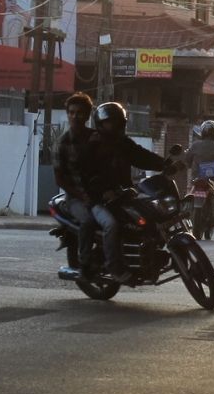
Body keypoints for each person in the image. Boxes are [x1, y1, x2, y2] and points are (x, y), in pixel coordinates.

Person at [85, 101, 177, 281]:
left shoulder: (122, 143)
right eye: (110, 123)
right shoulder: (93, 146)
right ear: (101, 125)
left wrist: (164, 164)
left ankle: (149, 255)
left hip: (123, 195)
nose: (114, 126)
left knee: (150, 215)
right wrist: (104, 191)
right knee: (111, 225)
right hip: (98, 199)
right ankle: (115, 267)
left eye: (118, 122)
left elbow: (141, 156)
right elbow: (87, 174)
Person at [53, 92, 101, 274]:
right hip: (75, 198)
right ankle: (85, 264)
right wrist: (82, 196)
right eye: (71, 112)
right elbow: (59, 178)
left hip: (98, 194)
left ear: (87, 115)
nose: (75, 116)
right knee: (88, 222)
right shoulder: (62, 143)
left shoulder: (96, 138)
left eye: (79, 113)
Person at [185, 120, 214, 225]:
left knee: (191, 190)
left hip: (197, 178)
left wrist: (189, 165)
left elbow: (187, 159)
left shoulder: (195, 145)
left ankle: (187, 210)